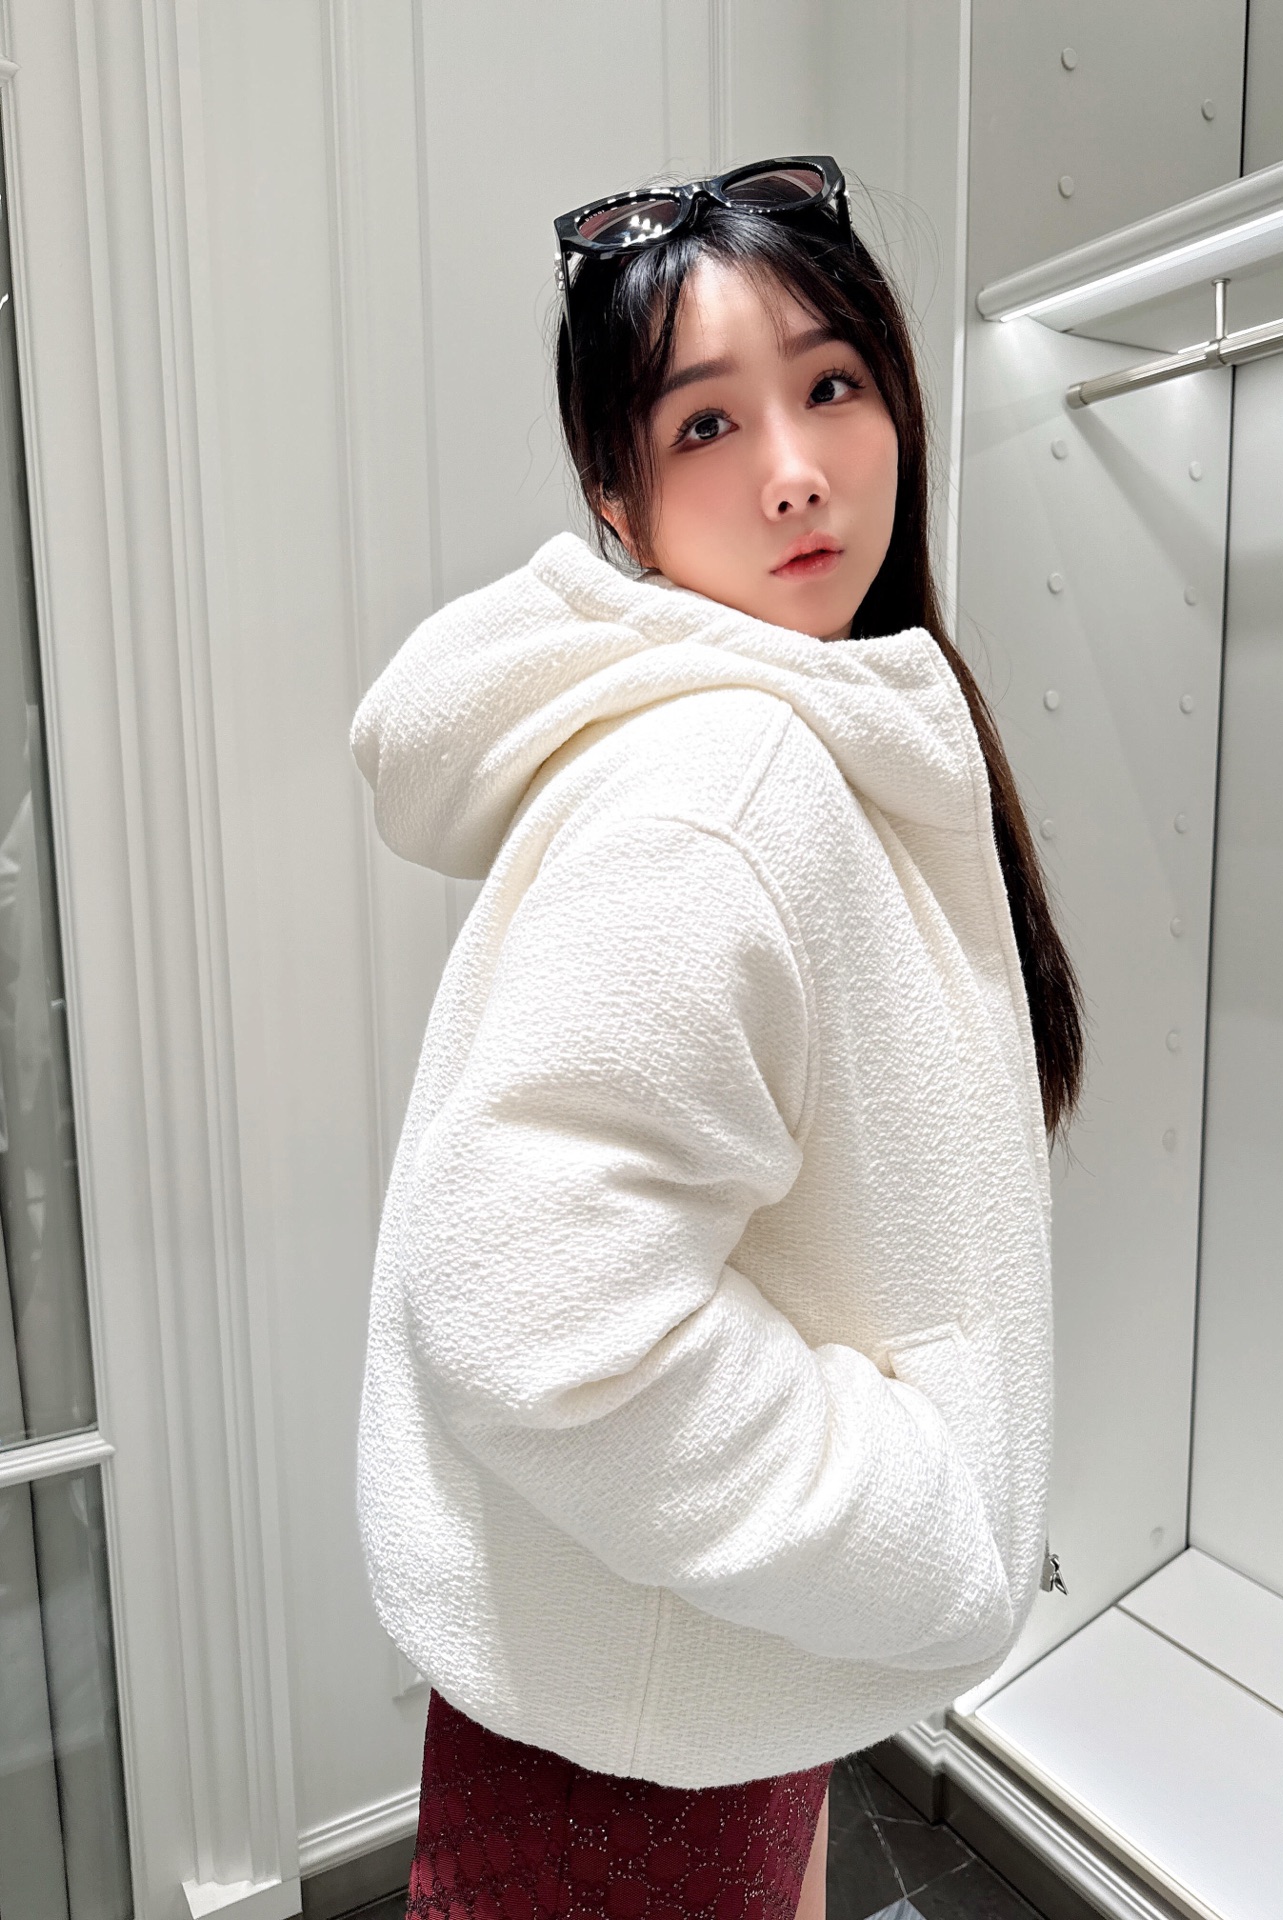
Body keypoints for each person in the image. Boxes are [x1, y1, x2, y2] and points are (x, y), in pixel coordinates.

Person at [350, 155, 1083, 1920]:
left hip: (677, 1672)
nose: (796, 468)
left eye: (831, 383)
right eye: (705, 425)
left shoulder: (812, 724)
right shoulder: (727, 783)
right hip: (629, 1767)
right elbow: (541, 1311)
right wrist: (912, 1520)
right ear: (616, 497)